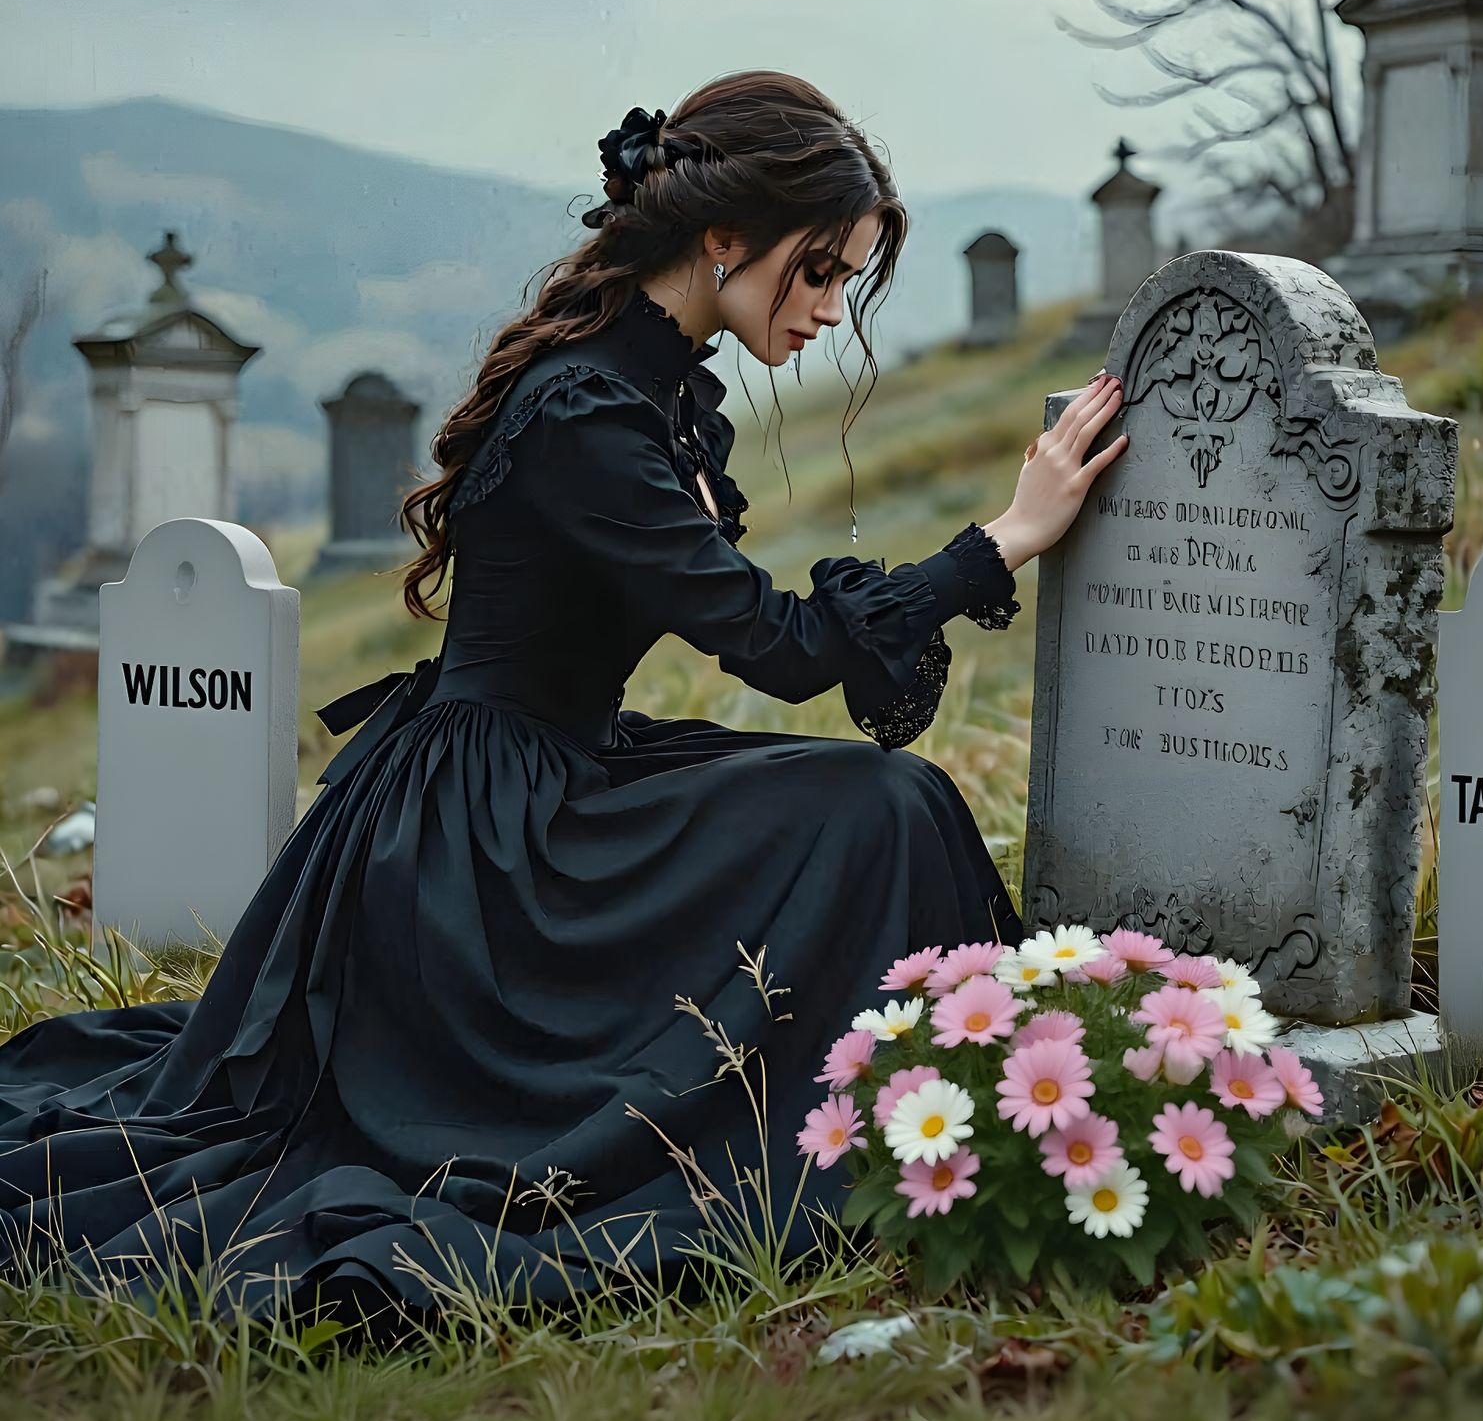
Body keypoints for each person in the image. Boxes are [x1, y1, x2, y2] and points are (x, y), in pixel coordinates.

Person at [0, 69, 1128, 1331]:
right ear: (722, 237)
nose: (825, 310)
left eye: (844, 283)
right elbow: (785, 652)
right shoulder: (587, 409)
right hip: (476, 850)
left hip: (550, 776)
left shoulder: (650, 385)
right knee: (878, 803)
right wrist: (1006, 537)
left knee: (883, 804)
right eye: (816, 271)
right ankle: (879, 1105)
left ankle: (949, 1088)